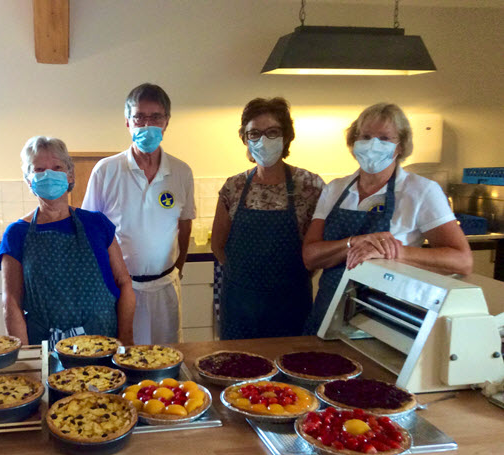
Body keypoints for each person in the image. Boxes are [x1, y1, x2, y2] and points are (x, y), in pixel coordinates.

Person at [303, 102, 472, 334]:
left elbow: (462, 261)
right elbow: (311, 257)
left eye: (384, 138)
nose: (373, 145)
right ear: (354, 142)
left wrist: (394, 252)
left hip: (385, 317)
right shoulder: (335, 190)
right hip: (327, 311)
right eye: (366, 136)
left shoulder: (421, 191)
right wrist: (355, 242)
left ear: (400, 146)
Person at [82, 83, 195, 345]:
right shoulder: (106, 170)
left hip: (165, 287)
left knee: (166, 358)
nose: (147, 125)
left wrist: (178, 268)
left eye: (155, 117)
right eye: (139, 117)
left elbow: (185, 224)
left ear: (166, 122)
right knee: (122, 357)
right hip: (120, 289)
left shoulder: (181, 172)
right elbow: (90, 232)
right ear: (127, 123)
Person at [0, 136, 135, 346]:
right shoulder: (16, 234)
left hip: (103, 343)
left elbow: (124, 283)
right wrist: (26, 357)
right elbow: (12, 302)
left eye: (57, 167)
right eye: (39, 170)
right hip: (45, 347)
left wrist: (126, 338)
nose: (49, 175)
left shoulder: (97, 224)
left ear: (70, 176)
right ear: (29, 180)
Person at [211, 97, 324, 339]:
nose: (263, 140)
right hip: (240, 306)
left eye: (272, 132)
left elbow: (317, 249)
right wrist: (244, 280)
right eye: (254, 134)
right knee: (238, 369)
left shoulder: (310, 186)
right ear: (245, 139)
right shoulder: (234, 187)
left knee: (291, 369)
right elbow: (218, 245)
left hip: (291, 304)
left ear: (286, 137)